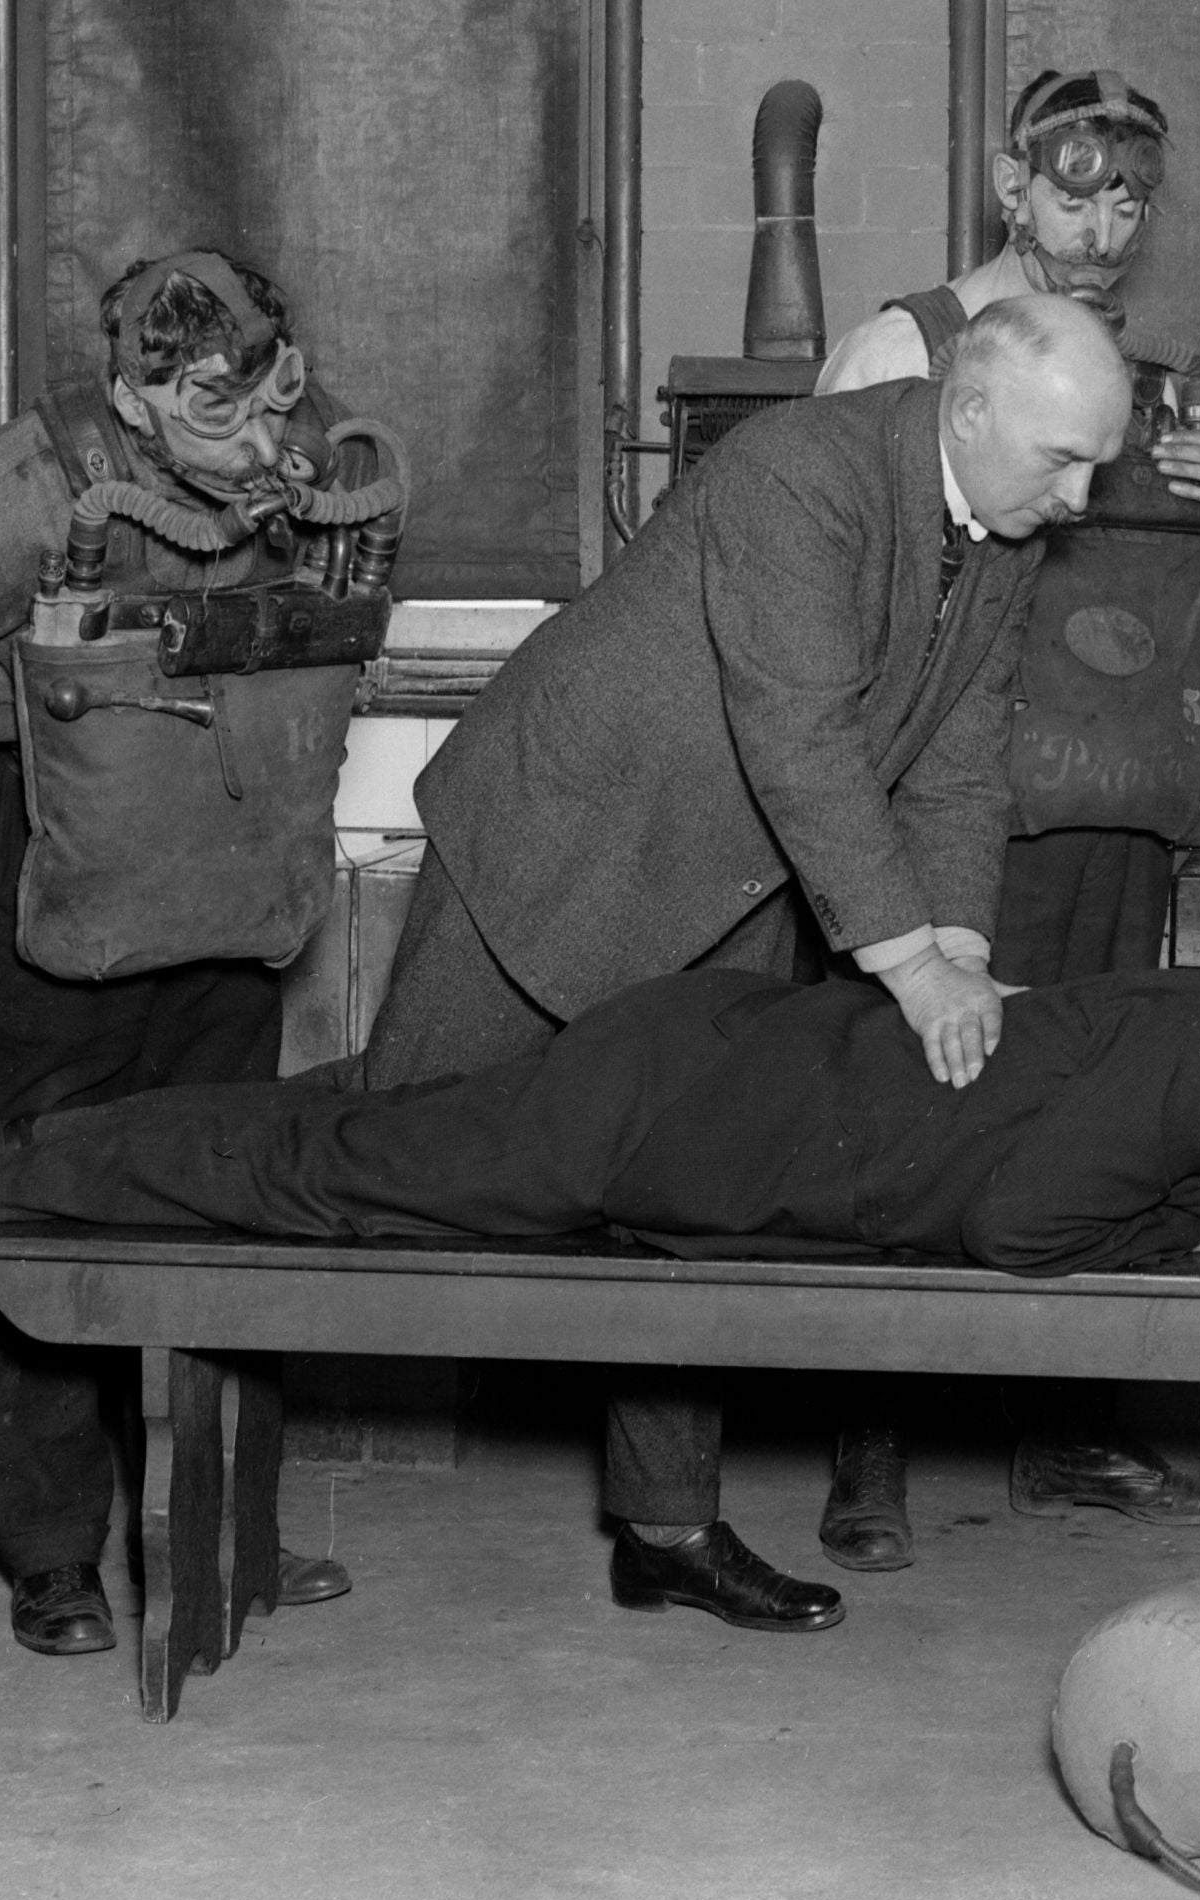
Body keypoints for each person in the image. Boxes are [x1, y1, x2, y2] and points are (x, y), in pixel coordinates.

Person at [343, 290, 1132, 1633]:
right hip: (559, 847)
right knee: (376, 1169)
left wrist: (958, 943)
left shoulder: (1002, 530)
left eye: (1095, 467)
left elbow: (956, 751)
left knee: (685, 1201)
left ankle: (666, 1529)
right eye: (1060, 459)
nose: (1077, 496)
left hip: (731, 879)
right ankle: (225, 1450)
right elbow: (800, 737)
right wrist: (904, 963)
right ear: (972, 406)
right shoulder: (800, 471)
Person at [0, 965, 1200, 1460]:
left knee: (337, 1131)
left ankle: (1, 1137)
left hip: (711, 1096)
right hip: (684, 1121)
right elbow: (1024, 1222)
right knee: (326, 1176)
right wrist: (1185, 1236)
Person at [0, 248, 366, 1660]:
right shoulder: (19, 488)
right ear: (129, 395)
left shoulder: (294, 431)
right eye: (202, 421)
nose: (246, 443)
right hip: (47, 860)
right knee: (30, 1198)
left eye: (260, 402)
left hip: (223, 864)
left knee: (232, 1192)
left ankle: (226, 1525)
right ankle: (53, 1555)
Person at [816, 66, 1200, 1559]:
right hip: (948, 810)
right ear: (1010, 184)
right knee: (902, 1104)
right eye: (1074, 189)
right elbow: (840, 576)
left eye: (1129, 195)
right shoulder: (909, 341)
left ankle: (1062, 1429)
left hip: (1102, 810)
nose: (1103, 223)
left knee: (1085, 1106)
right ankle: (862, 1452)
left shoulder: (1150, 376)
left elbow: (1169, 624)